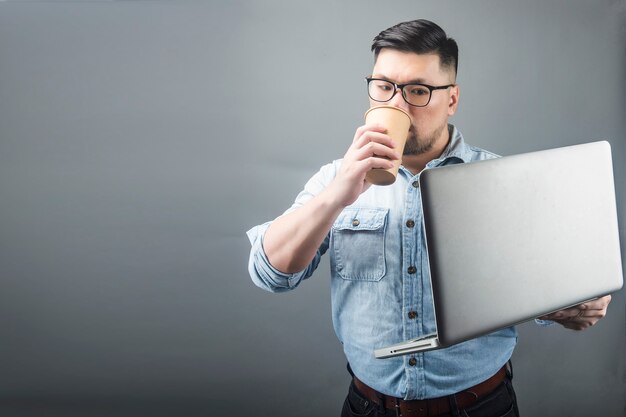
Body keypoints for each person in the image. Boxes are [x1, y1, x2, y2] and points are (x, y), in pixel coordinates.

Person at [246, 19, 612, 417]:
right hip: (369, 407)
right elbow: (271, 273)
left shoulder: (502, 180)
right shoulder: (336, 179)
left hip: (482, 407)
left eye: (418, 91)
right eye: (384, 87)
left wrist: (575, 305)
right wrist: (339, 194)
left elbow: (552, 288)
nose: (396, 105)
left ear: (451, 99)